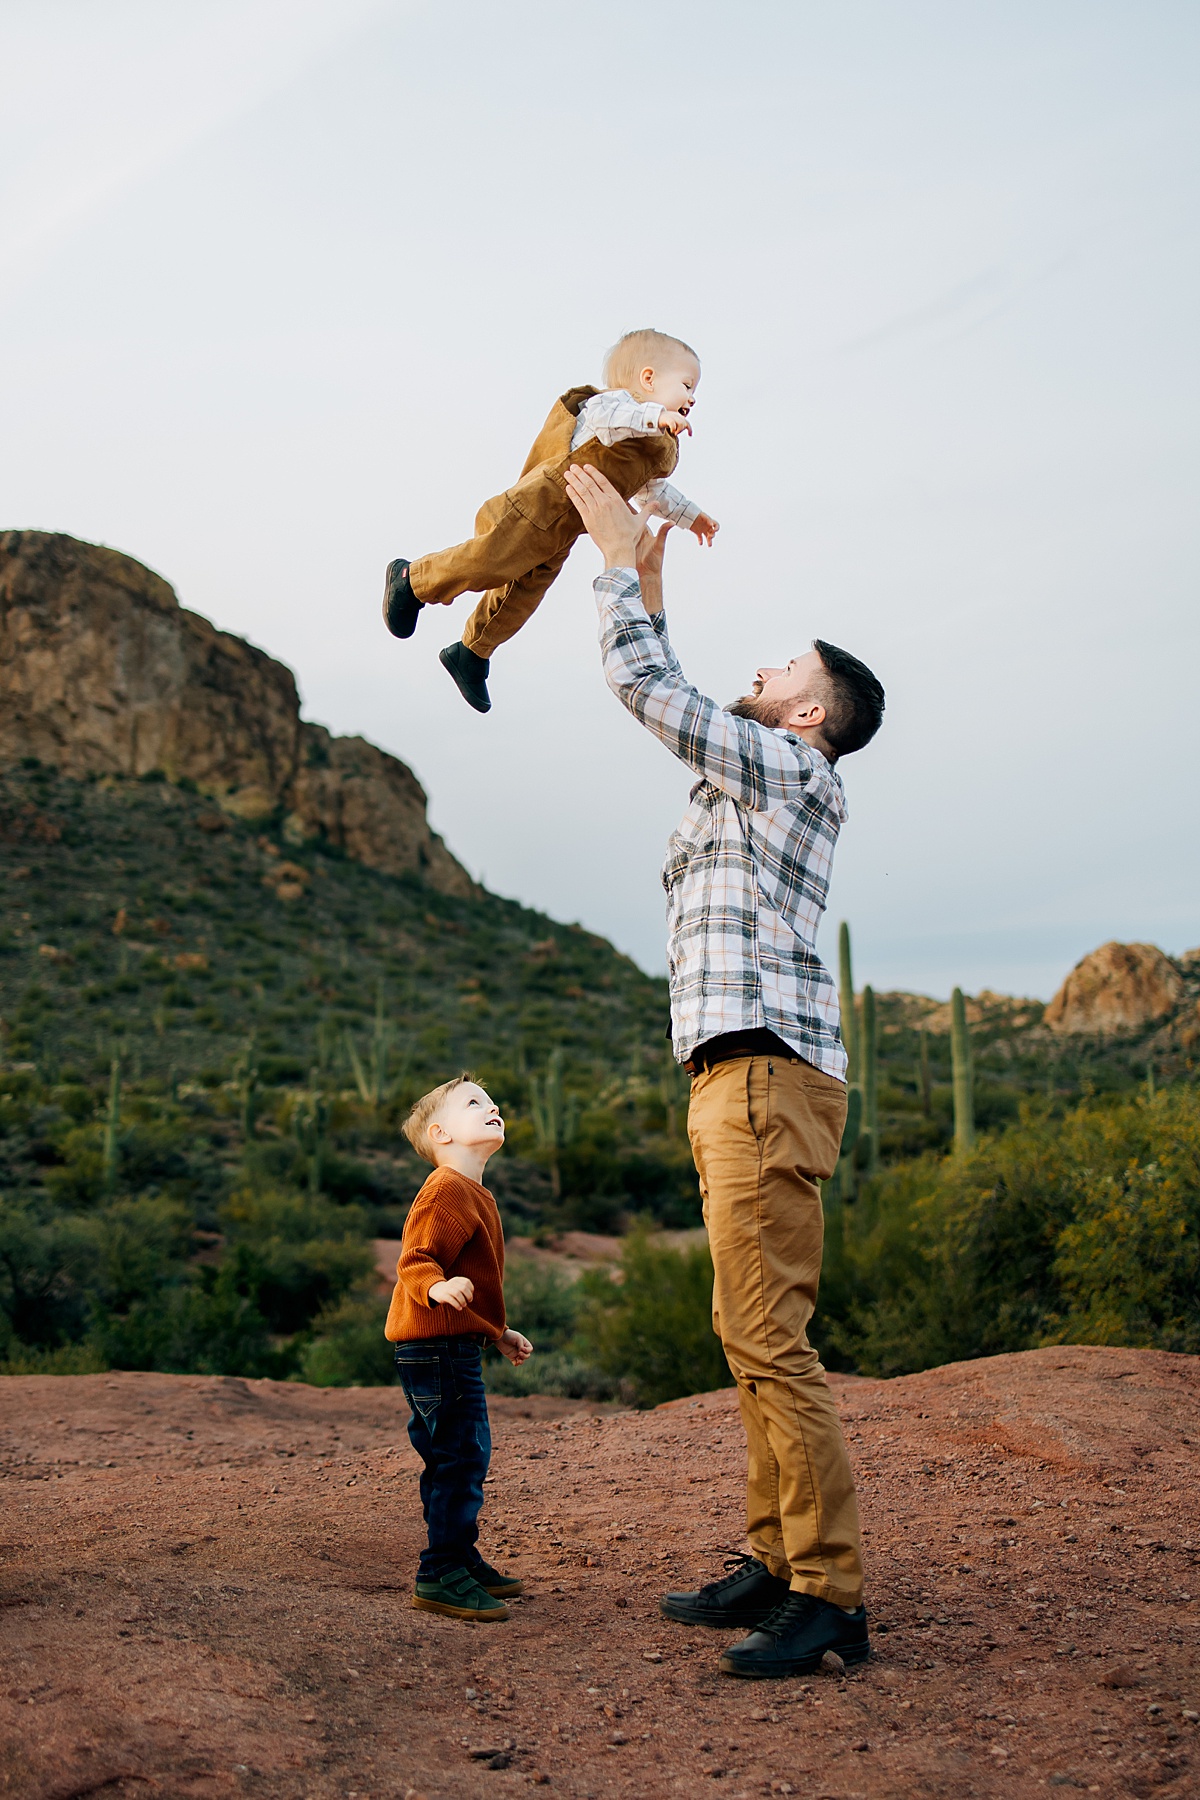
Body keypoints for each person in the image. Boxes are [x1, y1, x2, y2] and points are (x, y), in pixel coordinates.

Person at [564, 462, 885, 1681]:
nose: (765, 671)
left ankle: (832, 1596)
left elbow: (648, 683)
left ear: (813, 714)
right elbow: (682, 692)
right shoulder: (740, 778)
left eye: (786, 666)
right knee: (742, 1328)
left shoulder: (797, 771)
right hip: (731, 1078)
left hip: (764, 1076)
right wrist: (644, 560)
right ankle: (778, 1558)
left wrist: (604, 558)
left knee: (768, 1336)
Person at [381, 328, 719, 714]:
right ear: (648, 379)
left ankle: (472, 652)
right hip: (540, 501)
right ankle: (412, 579)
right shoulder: (615, 407)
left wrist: (693, 517)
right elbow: (614, 420)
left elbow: (654, 492)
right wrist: (656, 415)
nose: (692, 398)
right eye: (687, 385)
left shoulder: (655, 442)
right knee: (491, 561)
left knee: (525, 593)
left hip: (565, 527)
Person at [385, 1074, 533, 1622]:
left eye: (494, 1103)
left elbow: (476, 1280)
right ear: (442, 1133)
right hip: (435, 1348)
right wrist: (435, 1287)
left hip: (454, 1344)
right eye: (476, 1103)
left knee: (461, 1454)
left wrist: (497, 1332)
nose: (493, 1109)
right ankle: (440, 1572)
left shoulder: (475, 1193)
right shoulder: (445, 1187)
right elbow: (414, 1259)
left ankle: (459, 1560)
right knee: (460, 1456)